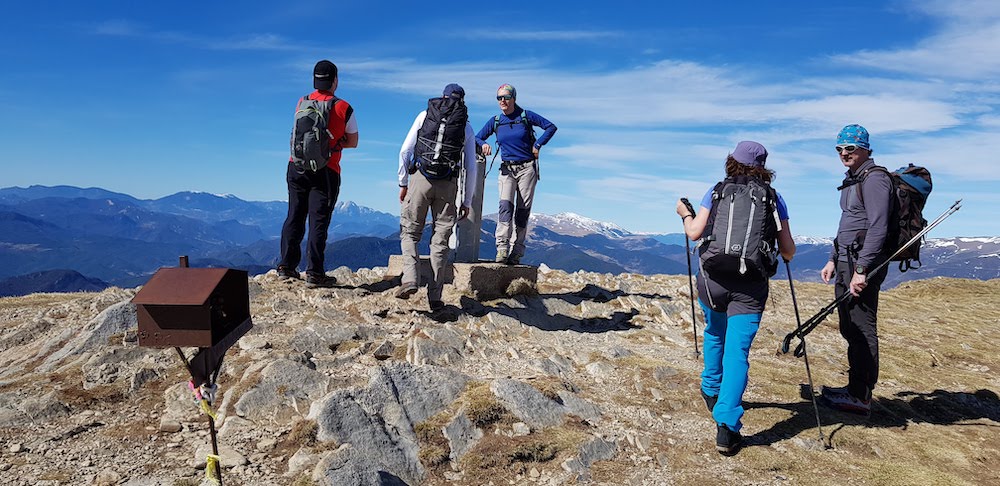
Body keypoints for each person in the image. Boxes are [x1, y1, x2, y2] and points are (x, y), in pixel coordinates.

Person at [675, 141, 795, 455]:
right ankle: (726, 428)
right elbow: (788, 250)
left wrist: (684, 214)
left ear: (732, 162)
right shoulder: (773, 199)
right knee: (738, 351)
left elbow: (695, 233)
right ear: (763, 167)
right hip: (750, 287)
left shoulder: (715, 191)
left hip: (713, 280)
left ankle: (710, 388)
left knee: (715, 332)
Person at [818, 124, 892, 416]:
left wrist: (862, 268)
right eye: (839, 149)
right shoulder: (853, 179)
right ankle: (854, 389)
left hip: (862, 264)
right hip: (847, 260)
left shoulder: (875, 180)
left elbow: (878, 227)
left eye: (850, 148)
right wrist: (833, 258)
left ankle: (861, 396)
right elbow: (848, 224)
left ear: (864, 148)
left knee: (861, 326)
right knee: (849, 325)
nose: (844, 154)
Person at [396, 84, 479, 311]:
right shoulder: (466, 127)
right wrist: (467, 201)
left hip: (420, 179)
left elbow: (405, 150)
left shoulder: (425, 115)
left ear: (442, 97)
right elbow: (471, 168)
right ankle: (435, 297)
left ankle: (411, 278)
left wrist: (403, 182)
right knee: (440, 241)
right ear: (462, 101)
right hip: (448, 185)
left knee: (411, 232)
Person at [277, 60, 359, 288]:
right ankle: (314, 273)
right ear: (335, 80)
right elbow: (353, 142)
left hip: (296, 166)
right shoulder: (343, 107)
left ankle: (286, 266)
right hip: (326, 170)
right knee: (318, 220)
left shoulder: (302, 102)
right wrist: (337, 141)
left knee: (294, 214)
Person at [476, 83, 557, 265]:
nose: (502, 101)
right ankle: (502, 248)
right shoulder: (496, 121)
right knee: (505, 207)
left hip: (527, 168)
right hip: (506, 169)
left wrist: (537, 145)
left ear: (514, 98)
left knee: (522, 211)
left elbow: (551, 127)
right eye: (499, 98)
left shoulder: (526, 116)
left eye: (505, 97)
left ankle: (517, 250)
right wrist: (483, 144)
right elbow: (477, 136)